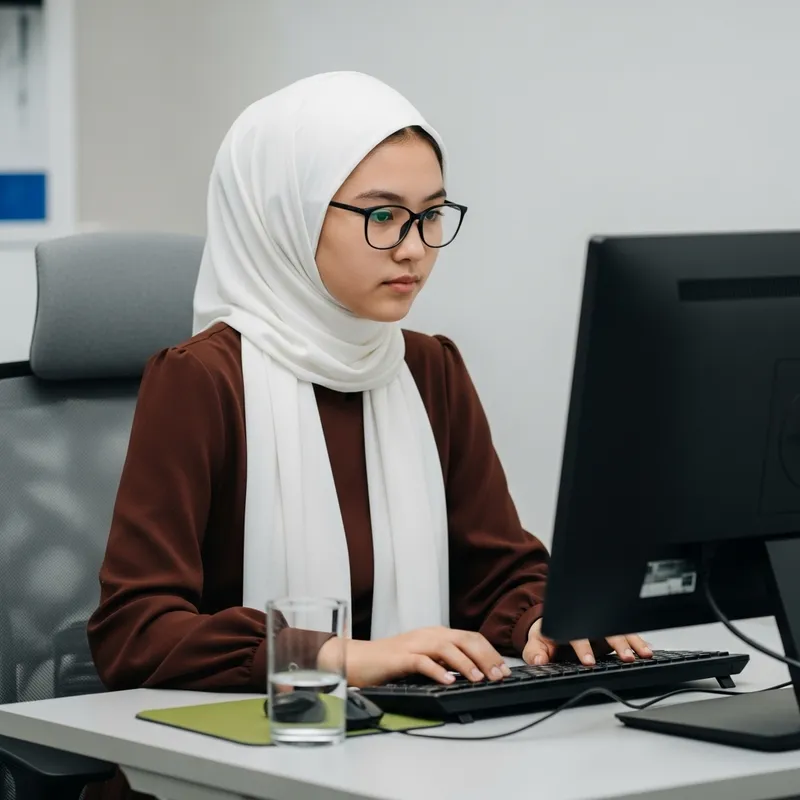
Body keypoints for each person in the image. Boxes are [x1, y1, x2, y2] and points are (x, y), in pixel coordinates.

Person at [85, 72, 649, 800]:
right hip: (216, 768)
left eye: (431, 215)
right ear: (286, 217)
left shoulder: (430, 368)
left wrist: (544, 620)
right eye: (383, 216)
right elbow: (135, 630)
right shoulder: (201, 379)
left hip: (405, 755)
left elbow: (499, 571)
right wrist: (340, 657)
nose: (414, 249)